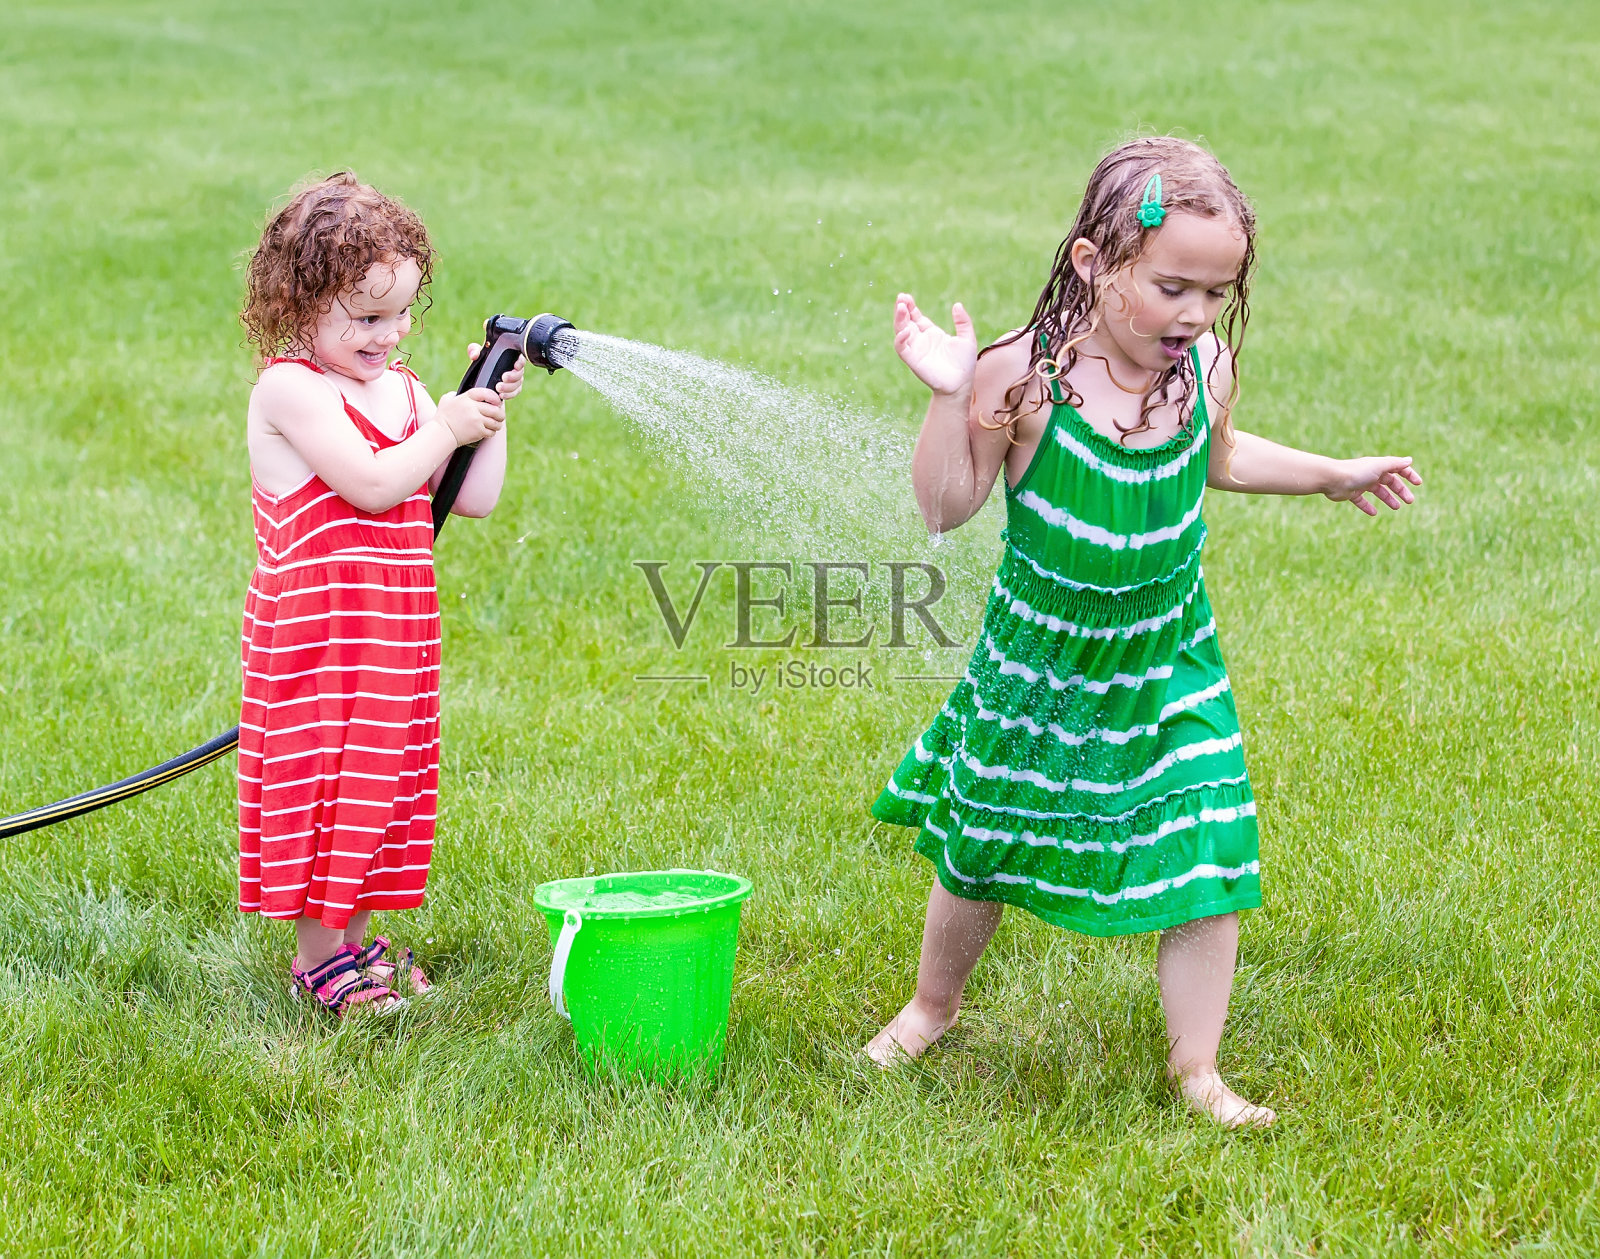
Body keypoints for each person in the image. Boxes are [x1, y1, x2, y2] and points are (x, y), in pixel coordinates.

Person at [866, 137, 1421, 1126]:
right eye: (1172, 287)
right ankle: (929, 1007)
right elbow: (946, 506)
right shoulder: (1020, 374)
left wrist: (1333, 471)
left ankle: (1194, 1068)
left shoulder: (1200, 365)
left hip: (1168, 652)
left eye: (1216, 292)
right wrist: (951, 394)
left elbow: (1222, 457)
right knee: (982, 841)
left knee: (1207, 844)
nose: (1197, 315)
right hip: (1041, 662)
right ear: (1091, 263)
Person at [236, 173, 525, 1015]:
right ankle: (319, 958)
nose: (389, 333)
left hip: (394, 632)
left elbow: (469, 497)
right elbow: (368, 484)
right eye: (365, 316)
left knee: (379, 783)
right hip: (318, 638)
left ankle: (355, 941)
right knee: (323, 782)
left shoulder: (402, 390)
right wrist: (445, 425)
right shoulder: (289, 390)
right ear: (299, 303)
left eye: (399, 312)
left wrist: (485, 413)